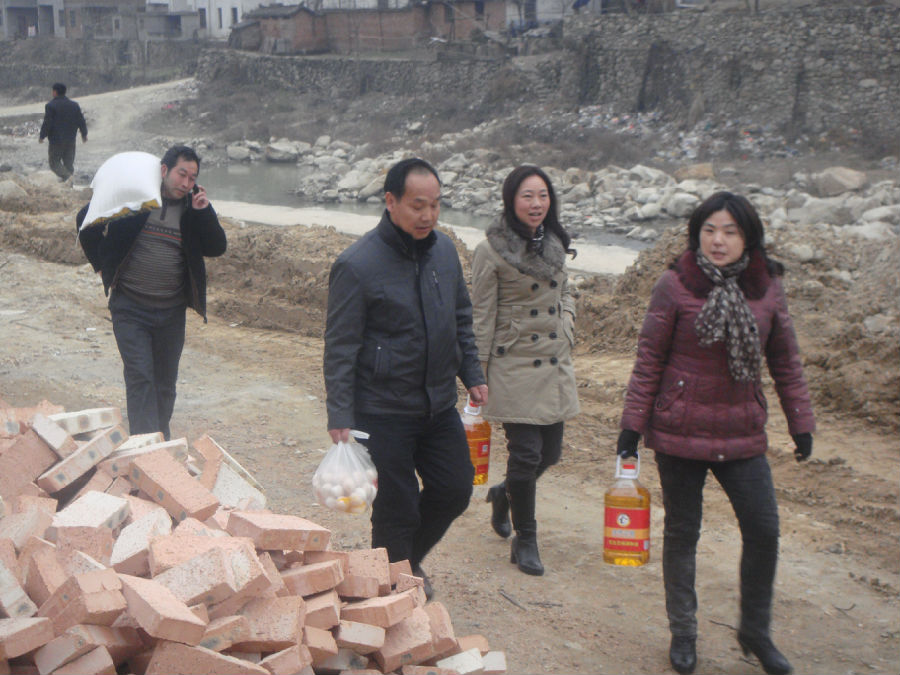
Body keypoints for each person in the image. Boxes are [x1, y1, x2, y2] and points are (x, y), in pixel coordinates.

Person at [617, 191, 815, 675]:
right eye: (709, 231)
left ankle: (756, 632)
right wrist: (631, 425)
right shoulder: (674, 284)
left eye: (729, 231)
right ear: (696, 235)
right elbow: (649, 360)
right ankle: (683, 633)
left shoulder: (767, 286)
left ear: (748, 237)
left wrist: (801, 422)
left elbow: (785, 360)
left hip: (741, 430)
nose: (718, 241)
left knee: (764, 530)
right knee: (683, 532)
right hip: (679, 430)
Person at [323, 157, 488, 598]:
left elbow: (460, 318)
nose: (428, 215)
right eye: (418, 205)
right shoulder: (357, 265)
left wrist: (472, 372)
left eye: (435, 205)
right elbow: (340, 347)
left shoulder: (444, 252)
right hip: (383, 410)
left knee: (455, 488)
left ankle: (403, 563)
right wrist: (340, 413)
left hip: (438, 403)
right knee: (397, 509)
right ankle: (393, 595)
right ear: (390, 201)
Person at [470, 165, 580, 576]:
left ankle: (505, 494)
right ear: (511, 200)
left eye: (543, 196)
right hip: (514, 361)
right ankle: (526, 539)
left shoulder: (554, 242)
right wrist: (476, 372)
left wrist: (567, 323)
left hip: (552, 359)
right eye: (527, 196)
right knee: (527, 453)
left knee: (550, 454)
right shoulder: (491, 250)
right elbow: (482, 314)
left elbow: (566, 290)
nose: (536, 204)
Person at [76, 145, 227, 440]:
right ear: (164, 170)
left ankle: (160, 442)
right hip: (130, 307)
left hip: (171, 312)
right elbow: (86, 220)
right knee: (141, 377)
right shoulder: (137, 198)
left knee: (165, 384)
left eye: (192, 177)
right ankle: (146, 447)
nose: (186, 183)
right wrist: (102, 266)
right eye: (181, 174)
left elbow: (216, 247)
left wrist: (204, 212)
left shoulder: (192, 208)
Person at [39, 83, 88, 181]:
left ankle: (68, 177)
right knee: (68, 164)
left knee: (54, 163)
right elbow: (81, 120)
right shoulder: (74, 105)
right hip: (71, 139)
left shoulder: (50, 106)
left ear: (55, 92)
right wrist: (84, 134)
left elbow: (47, 122)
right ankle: (69, 184)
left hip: (56, 140)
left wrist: (42, 136)